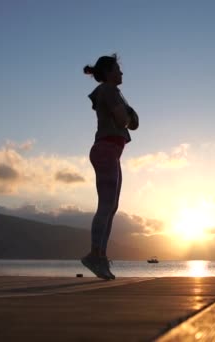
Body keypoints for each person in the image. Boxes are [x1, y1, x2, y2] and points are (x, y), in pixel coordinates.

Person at [81, 53, 139, 280]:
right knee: (106, 205)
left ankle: (100, 256)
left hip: (111, 152)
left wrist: (129, 115)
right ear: (108, 73)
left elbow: (132, 123)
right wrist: (130, 114)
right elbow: (127, 121)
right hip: (105, 151)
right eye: (118, 69)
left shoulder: (113, 92)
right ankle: (95, 255)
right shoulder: (109, 90)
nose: (122, 73)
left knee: (111, 206)